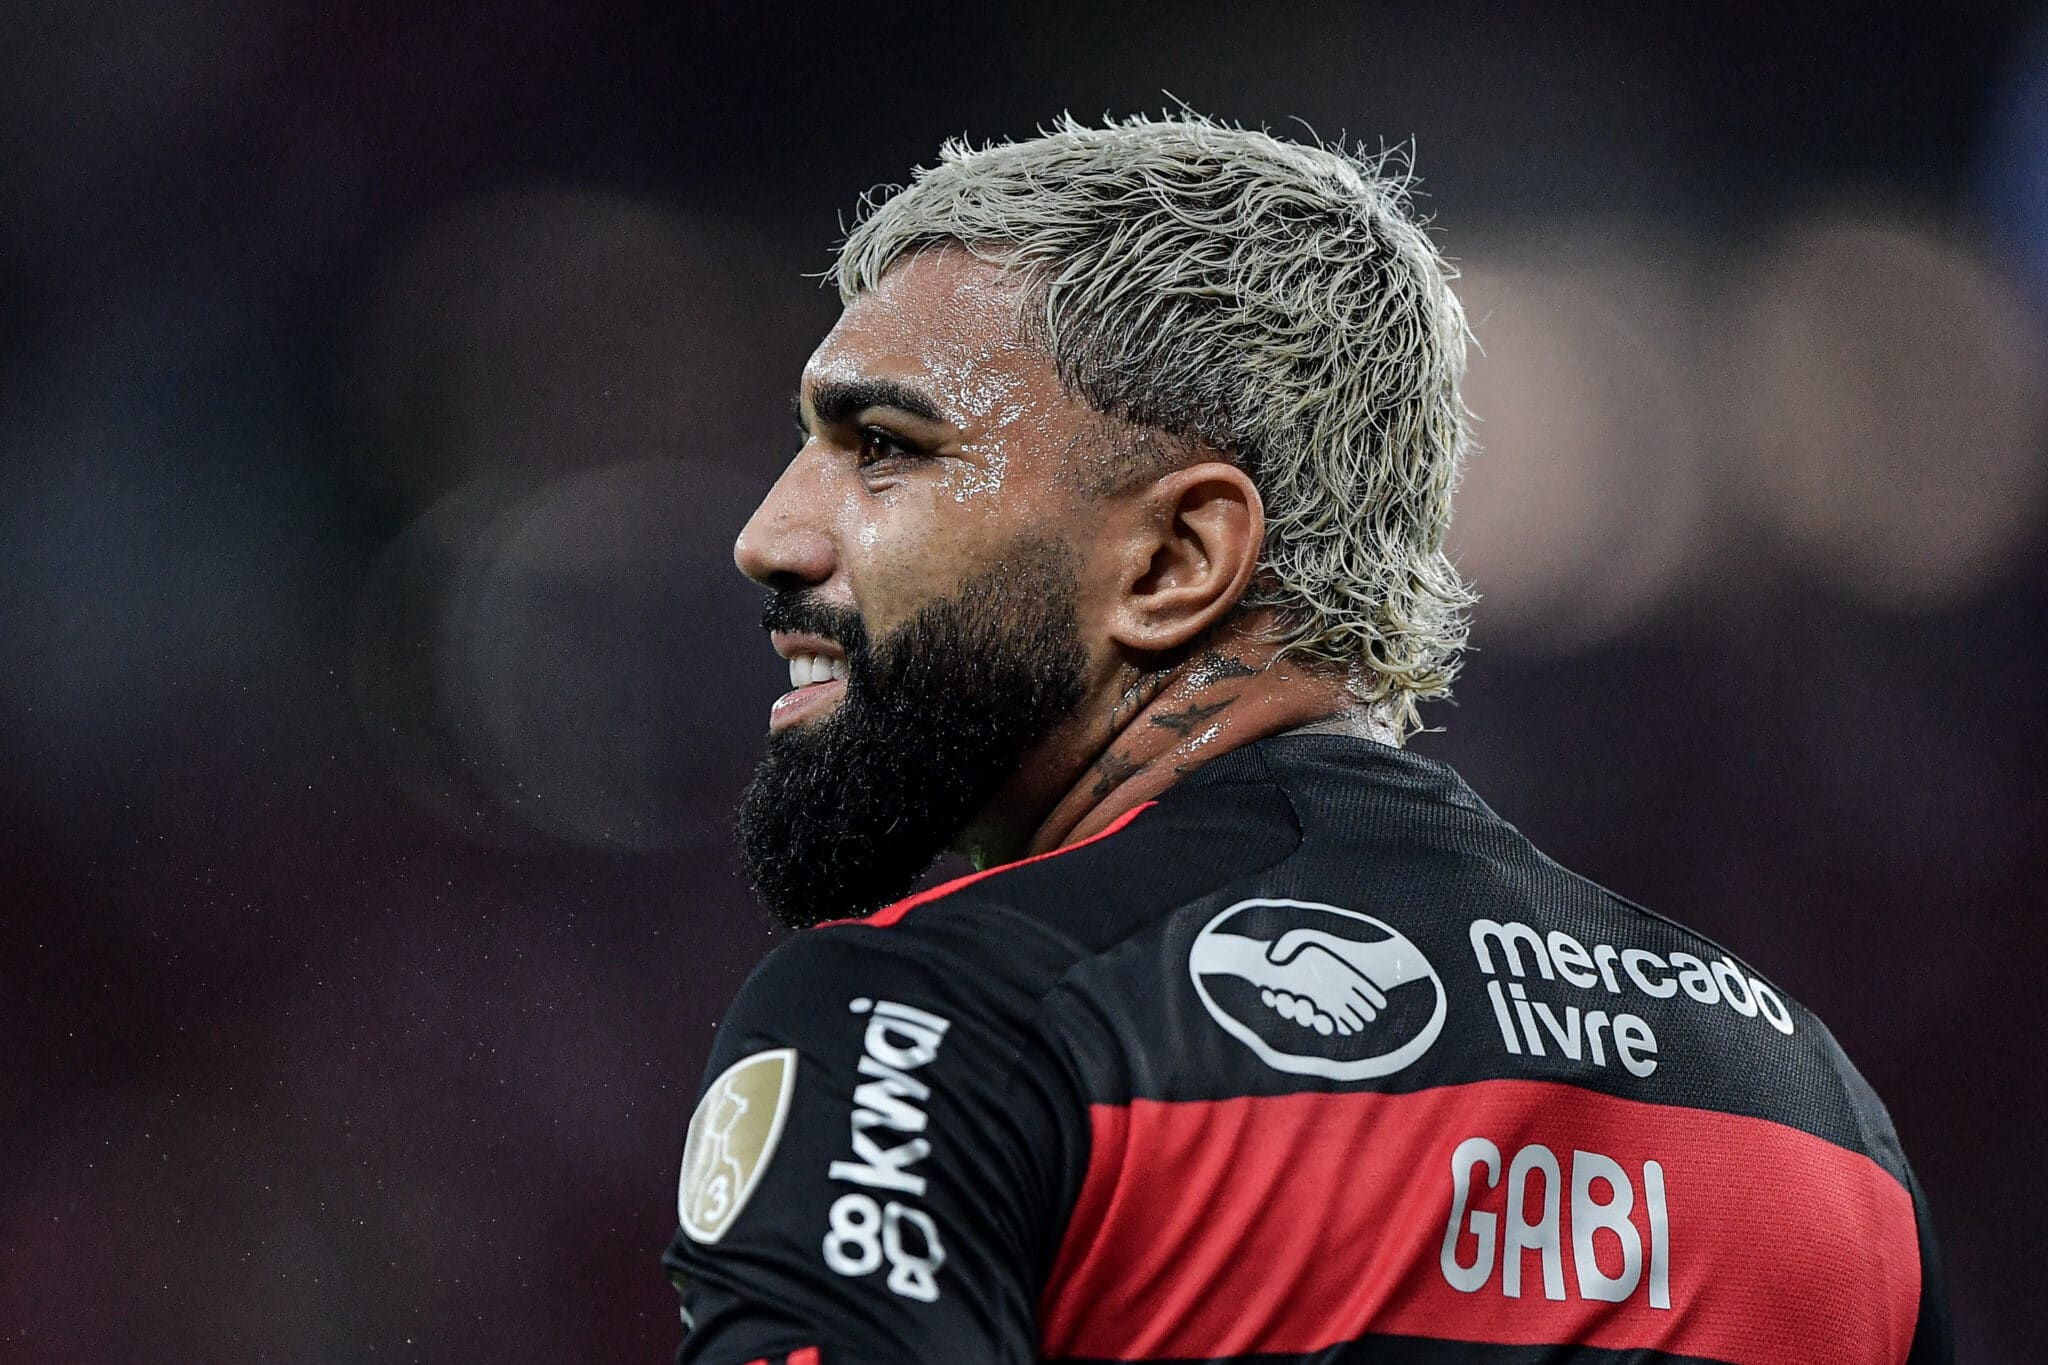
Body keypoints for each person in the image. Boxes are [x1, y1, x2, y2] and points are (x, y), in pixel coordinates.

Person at [662, 114, 1950, 1365]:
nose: (770, 535)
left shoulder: (932, 1023)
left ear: (1176, 560)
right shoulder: (1811, 1110)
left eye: (884, 448)